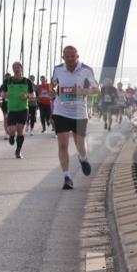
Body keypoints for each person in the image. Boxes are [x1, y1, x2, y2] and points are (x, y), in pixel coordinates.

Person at [51, 45, 99, 190]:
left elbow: (97, 90)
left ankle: (83, 158)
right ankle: (67, 177)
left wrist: (81, 91)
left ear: (77, 56)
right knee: (63, 144)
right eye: (67, 56)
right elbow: (53, 84)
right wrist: (54, 91)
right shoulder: (58, 69)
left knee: (80, 145)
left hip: (79, 113)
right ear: (63, 57)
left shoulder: (86, 70)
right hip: (61, 111)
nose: (71, 59)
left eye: (73, 56)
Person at [3, 62, 34, 159]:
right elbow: (3, 93)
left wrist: (27, 96)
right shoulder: (8, 81)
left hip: (23, 109)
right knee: (11, 130)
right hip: (11, 109)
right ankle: (12, 136)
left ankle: (18, 151)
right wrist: (4, 95)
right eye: (14, 67)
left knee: (20, 130)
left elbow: (33, 95)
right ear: (12, 69)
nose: (16, 69)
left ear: (21, 68)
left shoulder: (27, 81)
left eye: (18, 67)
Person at [0, 73, 11, 140]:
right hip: (5, 104)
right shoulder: (2, 86)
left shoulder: (13, 85)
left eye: (8, 78)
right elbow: (0, 94)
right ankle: (6, 133)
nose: (7, 79)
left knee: (10, 119)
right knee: (6, 119)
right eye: (6, 78)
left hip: (12, 104)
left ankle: (11, 132)